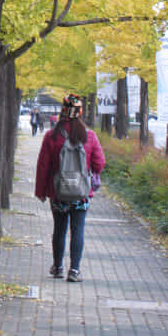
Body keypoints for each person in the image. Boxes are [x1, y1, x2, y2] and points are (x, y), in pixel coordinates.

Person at [34, 93, 105, 283]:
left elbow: (43, 166)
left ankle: (57, 267)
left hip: (58, 192)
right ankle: (74, 270)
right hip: (81, 193)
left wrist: (41, 191)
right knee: (78, 230)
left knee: (59, 230)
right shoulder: (89, 136)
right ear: (80, 113)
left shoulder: (52, 135)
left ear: (62, 112)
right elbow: (100, 163)